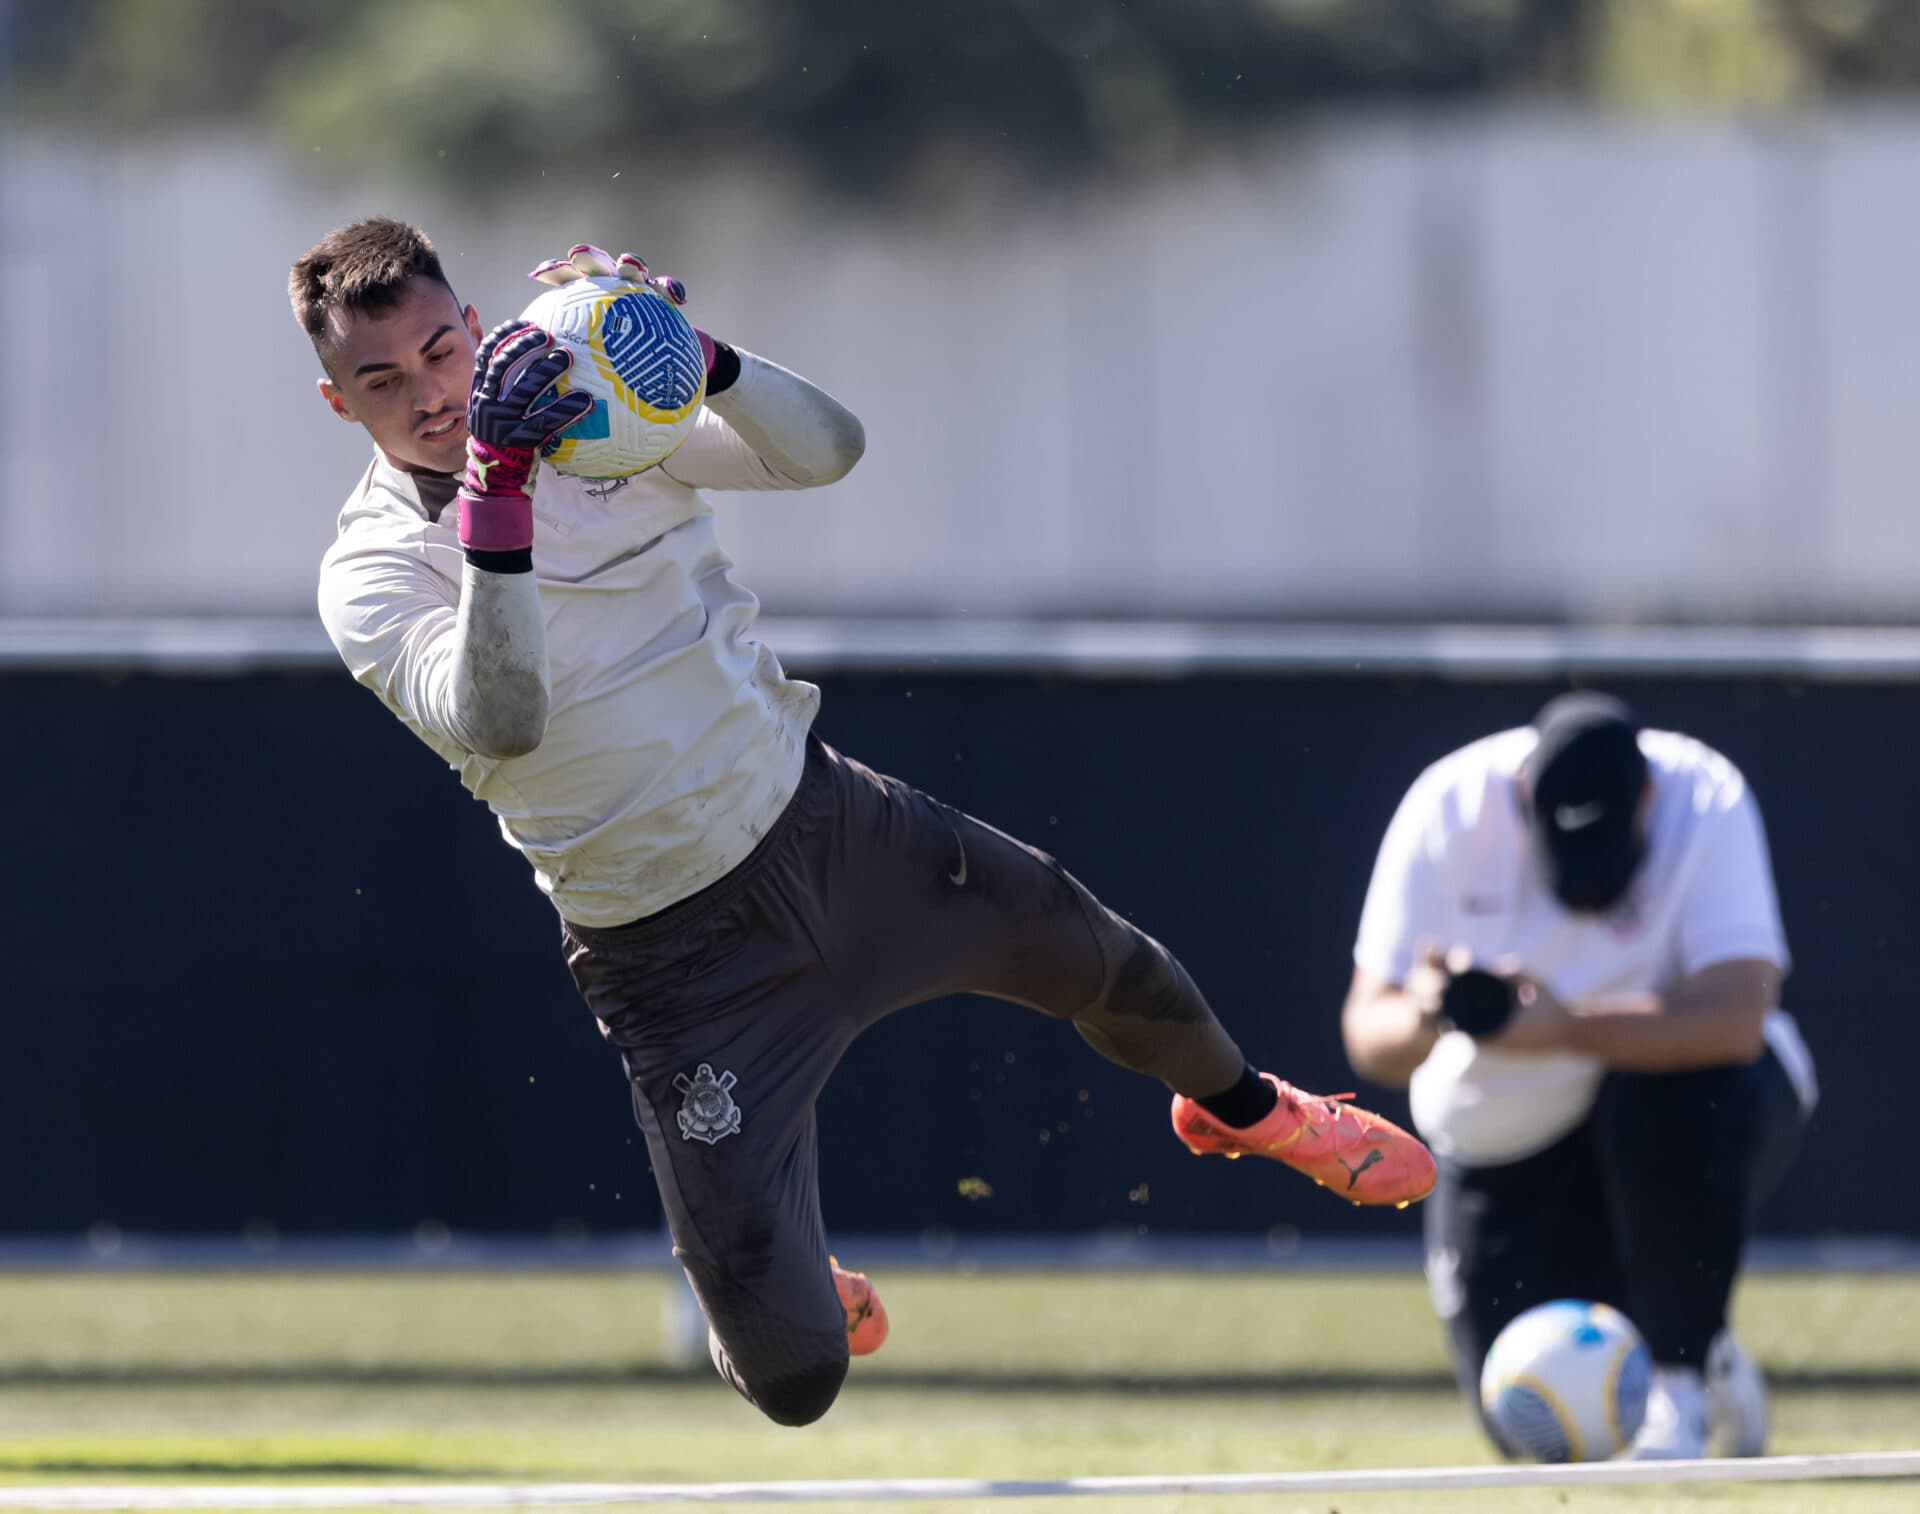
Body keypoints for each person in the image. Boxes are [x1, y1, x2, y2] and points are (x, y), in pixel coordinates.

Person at [290, 218, 1436, 1428]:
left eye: (437, 350)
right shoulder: (366, 568)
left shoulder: (591, 397)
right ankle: (777, 1269)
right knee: (794, 1379)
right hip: (673, 961)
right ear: (336, 402)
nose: (429, 393)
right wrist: (499, 487)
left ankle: (1245, 1108)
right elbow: (506, 718)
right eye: (383, 381)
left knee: (1114, 966)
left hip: (829, 825)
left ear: (474, 324)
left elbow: (829, 451)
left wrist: (695, 355)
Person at [1341, 692, 1818, 1460]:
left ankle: (1682, 1376)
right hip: (1502, 1133)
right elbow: (1369, 1037)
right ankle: (1705, 1344)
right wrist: (1432, 1011)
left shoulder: (1706, 794)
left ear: (1648, 802)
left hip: (1683, 1111)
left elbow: (1737, 1016)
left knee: (1673, 1092)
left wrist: (1568, 1029)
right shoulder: (1446, 806)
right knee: (1529, 1422)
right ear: (1523, 799)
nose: (1586, 889)